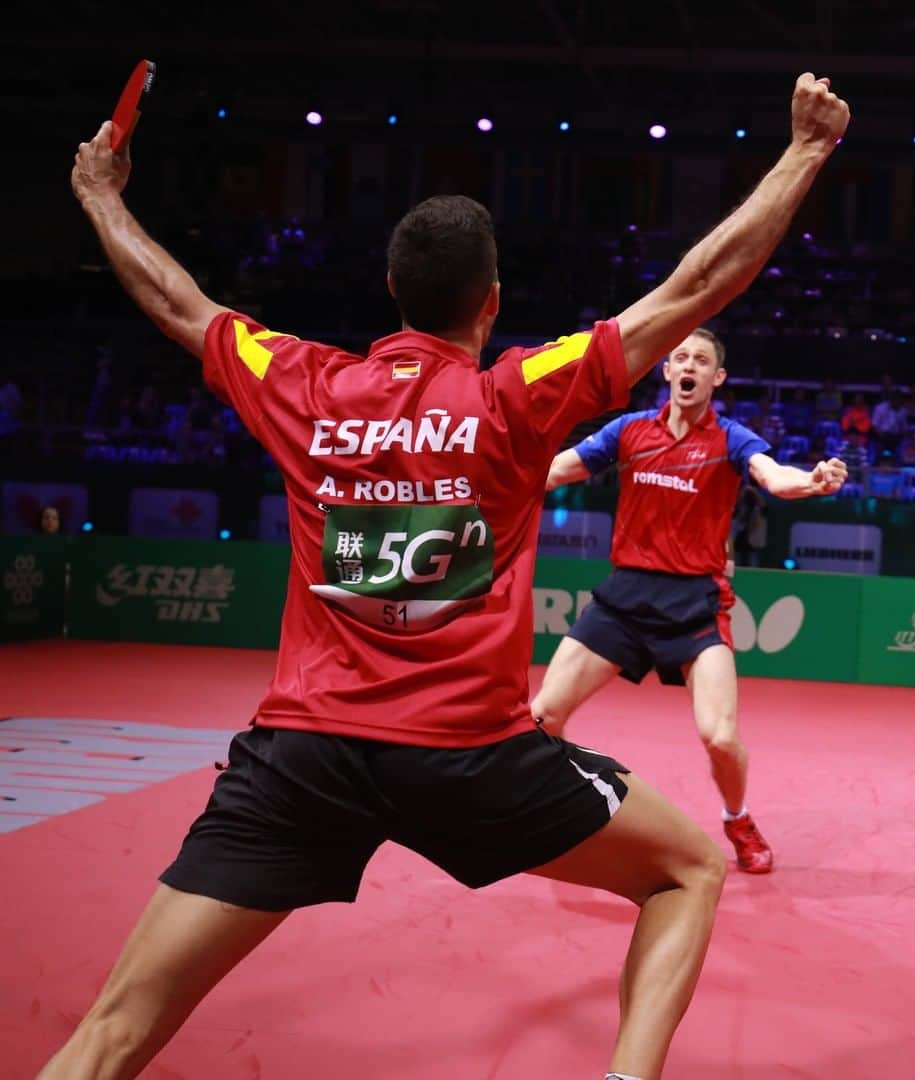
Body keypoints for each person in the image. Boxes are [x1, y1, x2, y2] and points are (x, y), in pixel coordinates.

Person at [46, 73, 849, 1080]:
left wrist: (100, 196)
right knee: (687, 868)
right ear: (494, 301)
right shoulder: (515, 395)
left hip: (302, 758)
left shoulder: (302, 381)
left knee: (112, 1034)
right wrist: (804, 151)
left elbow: (178, 301)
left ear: (392, 292)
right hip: (467, 759)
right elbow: (694, 288)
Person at [530, 327, 847, 875]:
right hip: (625, 597)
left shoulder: (730, 439)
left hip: (695, 603)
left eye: (701, 360)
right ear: (667, 370)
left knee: (720, 737)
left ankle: (737, 817)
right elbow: (559, 470)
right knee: (543, 715)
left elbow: (773, 478)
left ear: (716, 378)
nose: (689, 366)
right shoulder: (628, 431)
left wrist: (813, 481)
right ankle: (561, 808)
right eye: (680, 357)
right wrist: (492, 472)